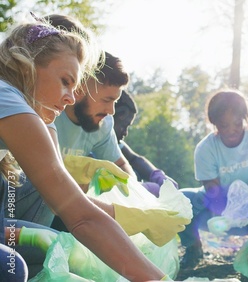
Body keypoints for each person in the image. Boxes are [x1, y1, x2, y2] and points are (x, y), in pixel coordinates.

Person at [0, 20, 167, 281]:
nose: (69, 97)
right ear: (27, 65)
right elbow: (80, 215)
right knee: (11, 267)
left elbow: (60, 190)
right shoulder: (6, 96)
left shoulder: (24, 104)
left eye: (74, 88)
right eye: (65, 82)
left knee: (41, 211)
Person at [178, 89, 248, 268]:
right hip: (217, 207)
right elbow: (213, 192)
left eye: (237, 123)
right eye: (224, 125)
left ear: (244, 118)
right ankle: (193, 248)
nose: (231, 131)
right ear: (214, 124)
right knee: (181, 199)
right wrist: (227, 217)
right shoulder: (205, 148)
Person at [113, 90, 178, 197]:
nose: (125, 132)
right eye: (123, 125)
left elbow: (134, 159)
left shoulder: (116, 143)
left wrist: (158, 176)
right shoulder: (94, 141)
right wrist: (142, 189)